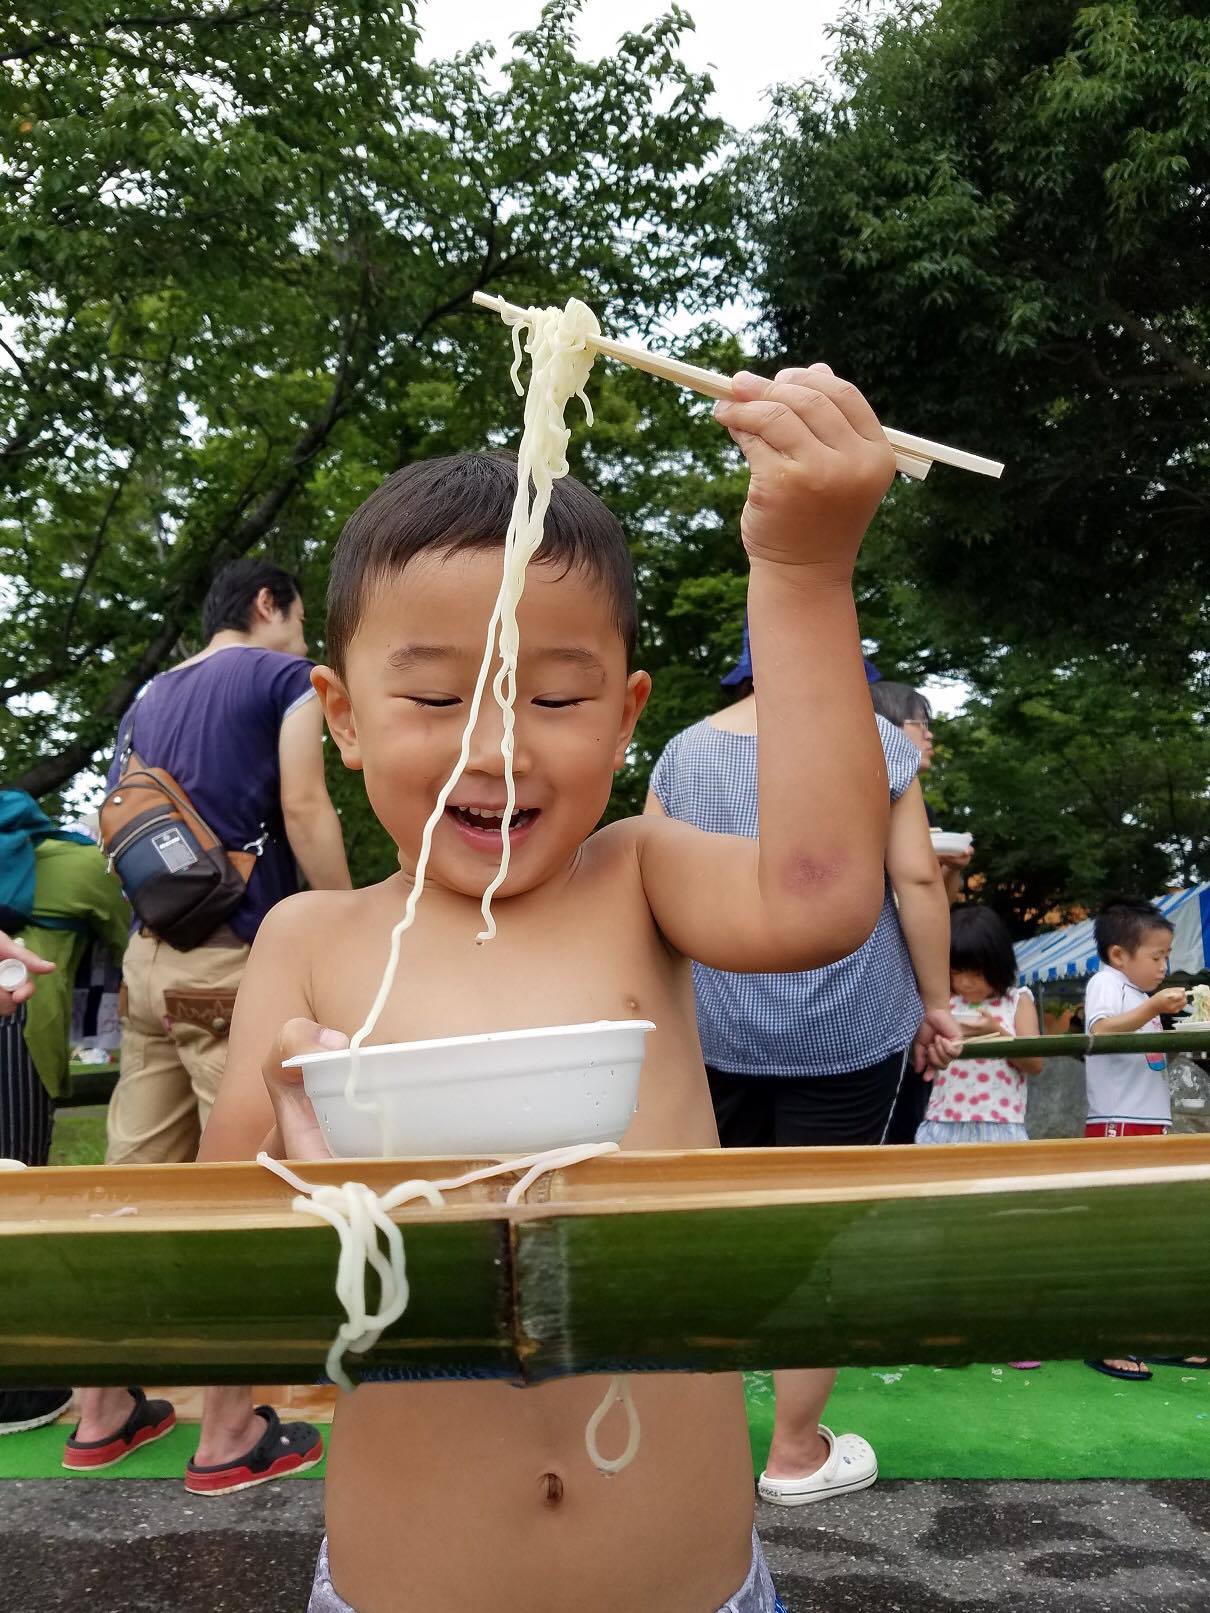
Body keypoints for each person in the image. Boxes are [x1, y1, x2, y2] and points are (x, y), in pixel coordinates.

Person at [199, 363, 896, 1613]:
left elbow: (826, 890)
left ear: (626, 716)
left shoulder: (640, 876)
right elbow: (218, 1299)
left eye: (557, 693)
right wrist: (300, 1186)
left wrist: (800, 569)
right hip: (403, 1581)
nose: (498, 741)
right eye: (432, 695)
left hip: (686, 1579)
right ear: (342, 716)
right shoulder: (308, 940)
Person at [647, 652, 959, 1505]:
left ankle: (680, 1444)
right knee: (818, 1233)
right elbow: (919, 877)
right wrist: (938, 1005)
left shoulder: (681, 754)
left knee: (707, 1230)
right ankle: (792, 1454)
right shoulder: (874, 745)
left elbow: (651, 892)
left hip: (717, 1029)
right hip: (849, 1028)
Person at [68, 560, 351, 1493]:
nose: (307, 639)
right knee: (243, 1193)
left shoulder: (151, 695)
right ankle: (230, 1434)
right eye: (302, 617)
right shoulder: (280, 681)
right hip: (235, 965)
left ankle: (103, 1411)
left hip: (149, 968)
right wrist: (344, 927)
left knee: (129, 1195)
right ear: (268, 604)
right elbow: (306, 804)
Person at [0, 802, 128, 1437]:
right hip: (20, 1035)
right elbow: (135, 935)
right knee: (15, 1207)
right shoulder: (84, 865)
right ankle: (18, 1390)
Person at [1081, 898, 1196, 1383]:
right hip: (1117, 1124)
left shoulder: (1135, 991)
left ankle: (1157, 1334)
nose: (1164, 967)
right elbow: (1101, 1032)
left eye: (1167, 957)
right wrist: (1153, 1006)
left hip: (1151, 1122)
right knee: (1118, 1237)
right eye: (1156, 957)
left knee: (1153, 1237)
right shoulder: (1106, 985)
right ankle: (1106, 1337)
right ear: (1118, 955)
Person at [916, 904, 1043, 1143]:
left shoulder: (1017, 1001)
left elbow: (1035, 1063)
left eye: (976, 974)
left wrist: (996, 1033)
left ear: (998, 965)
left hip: (1000, 1122)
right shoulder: (943, 1003)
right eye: (956, 972)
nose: (965, 983)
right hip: (944, 1119)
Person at [869, 682, 973, 902]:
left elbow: (940, 904)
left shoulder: (923, 811)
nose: (929, 735)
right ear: (885, 727)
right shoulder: (859, 804)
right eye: (920, 724)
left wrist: (952, 867)